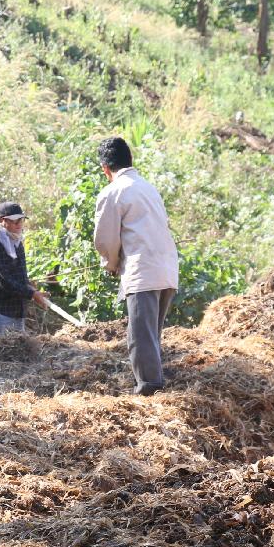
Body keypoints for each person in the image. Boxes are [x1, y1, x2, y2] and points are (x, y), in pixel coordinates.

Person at [93, 137, 179, 396]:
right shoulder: (148, 187)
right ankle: (154, 384)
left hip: (143, 272)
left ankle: (149, 389)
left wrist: (110, 263)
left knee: (140, 337)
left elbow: (105, 239)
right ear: (129, 161)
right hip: (166, 269)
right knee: (151, 335)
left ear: (105, 169)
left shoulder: (113, 192)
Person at [0, 201, 50, 333]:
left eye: (21, 220)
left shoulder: (16, 243)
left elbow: (20, 277)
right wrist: (32, 294)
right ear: (1, 221)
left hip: (16, 312)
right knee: (1, 347)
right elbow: (4, 280)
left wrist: (33, 290)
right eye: (14, 221)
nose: (19, 224)